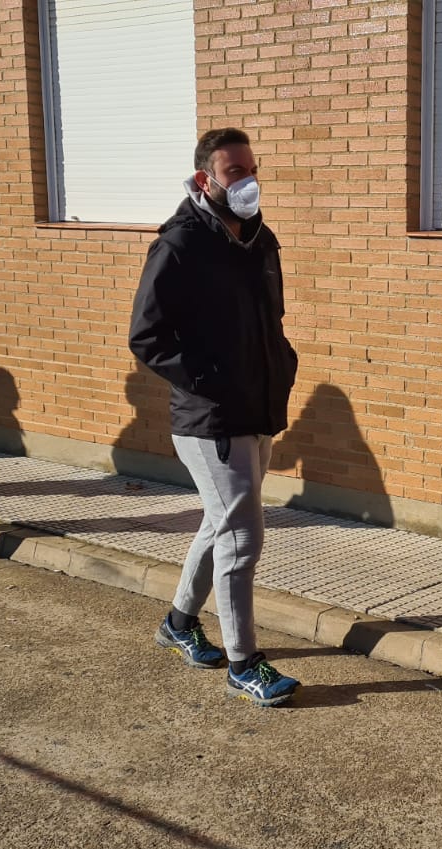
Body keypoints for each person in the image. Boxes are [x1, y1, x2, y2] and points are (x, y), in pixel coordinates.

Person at [129, 127, 302, 707]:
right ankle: (243, 664)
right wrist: (211, 381)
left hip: (257, 408)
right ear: (206, 179)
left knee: (220, 526)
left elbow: (267, 322)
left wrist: (281, 363)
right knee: (242, 539)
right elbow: (147, 338)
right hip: (209, 419)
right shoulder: (178, 246)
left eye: (253, 169)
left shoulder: (259, 239)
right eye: (236, 172)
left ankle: (179, 624)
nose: (249, 181)